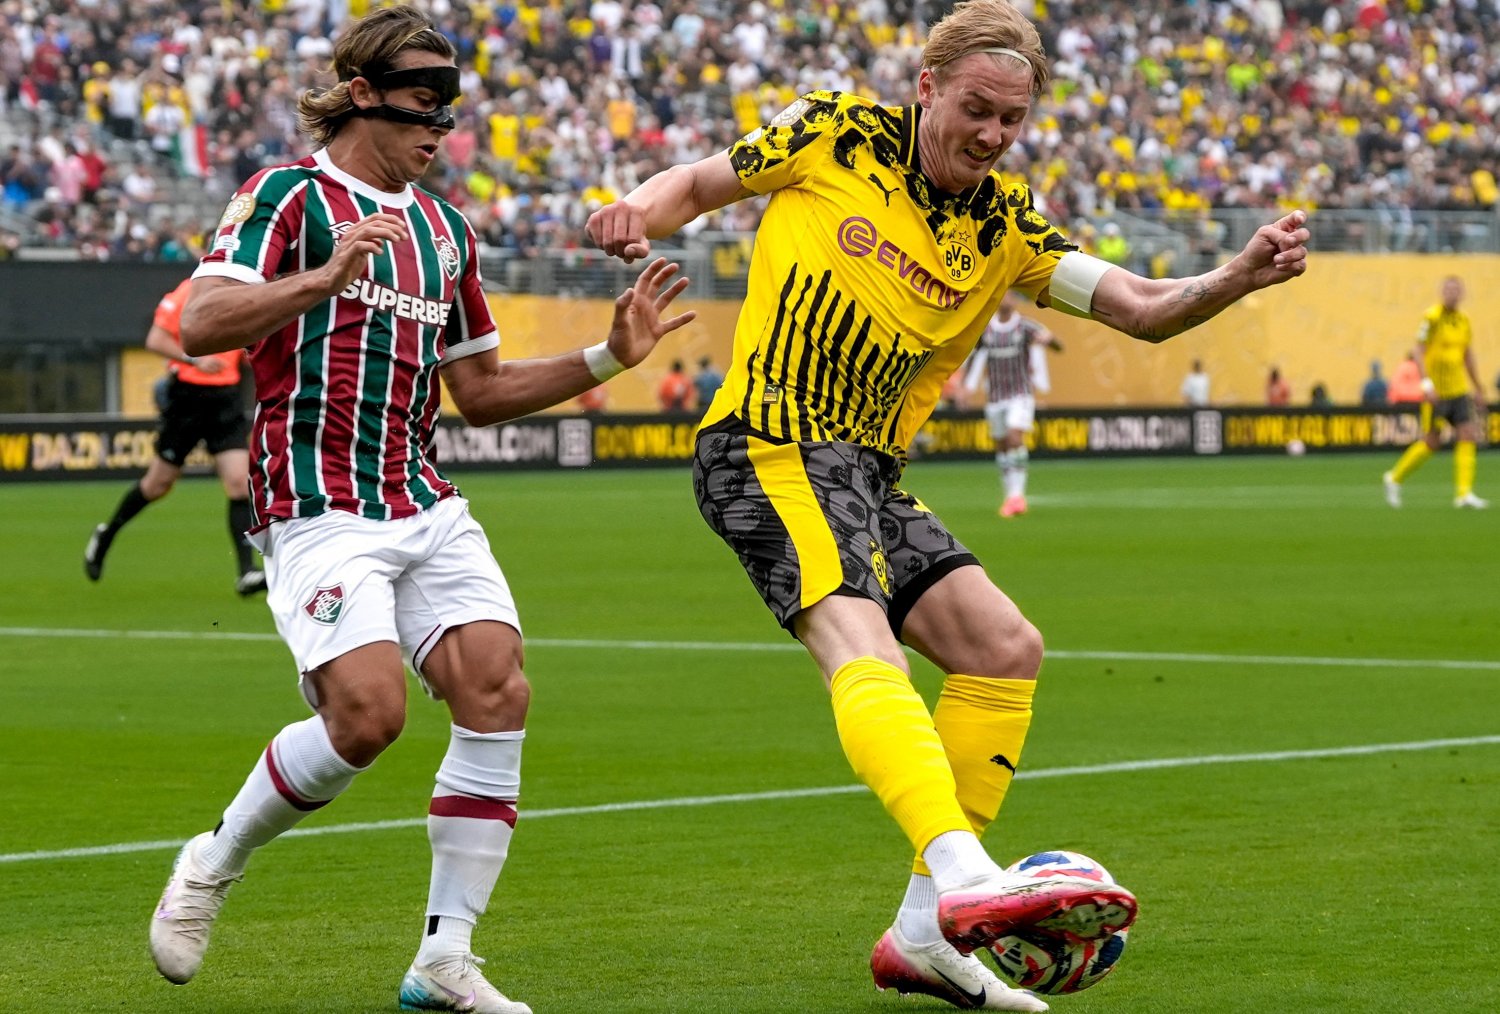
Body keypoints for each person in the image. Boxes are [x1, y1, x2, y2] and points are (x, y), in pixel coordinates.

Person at [585, 1, 1310, 1009]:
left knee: (1004, 648)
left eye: (1012, 119)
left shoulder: (1006, 225)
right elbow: (701, 182)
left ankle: (925, 932)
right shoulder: (835, 131)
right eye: (977, 109)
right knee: (864, 644)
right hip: (769, 440)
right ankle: (969, 873)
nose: (993, 134)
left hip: (867, 473)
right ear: (927, 87)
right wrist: (634, 207)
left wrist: (1236, 275)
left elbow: (1142, 309)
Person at [145, 9, 695, 1014]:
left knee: (498, 688)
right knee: (368, 716)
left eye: (450, 107)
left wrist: (610, 358)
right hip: (316, 499)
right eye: (422, 104)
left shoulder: (445, 232)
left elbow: (478, 392)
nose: (440, 126)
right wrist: (323, 278)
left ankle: (446, 957)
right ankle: (212, 862)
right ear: (363, 94)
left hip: (422, 497)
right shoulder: (286, 196)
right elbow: (203, 325)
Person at [83, 276, 266, 596]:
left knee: (239, 483)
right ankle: (107, 534)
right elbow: (156, 339)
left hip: (226, 399)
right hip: (188, 398)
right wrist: (194, 359)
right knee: (157, 485)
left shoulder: (243, 290)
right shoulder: (189, 292)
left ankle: (246, 572)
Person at [1382, 276, 1488, 509]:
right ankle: (1394, 477)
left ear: (1462, 294)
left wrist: (1478, 387)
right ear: (1442, 292)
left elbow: (1468, 356)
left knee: (1467, 434)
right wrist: (1426, 384)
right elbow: (1418, 350)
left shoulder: (1464, 320)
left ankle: (1464, 494)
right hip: (1437, 392)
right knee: (1432, 441)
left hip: (1459, 389)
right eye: (1448, 289)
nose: (1452, 293)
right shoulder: (1431, 317)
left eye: (1456, 289)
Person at [964, 290, 1063, 517]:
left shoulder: (1026, 327)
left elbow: (1058, 346)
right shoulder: (985, 330)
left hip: (1020, 395)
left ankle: (1018, 495)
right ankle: (1011, 496)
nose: (1006, 299)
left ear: (1016, 300)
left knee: (1014, 437)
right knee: (1002, 446)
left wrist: (1051, 340)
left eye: (1010, 295)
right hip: (995, 397)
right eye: (1003, 295)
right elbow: (971, 357)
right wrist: (965, 388)